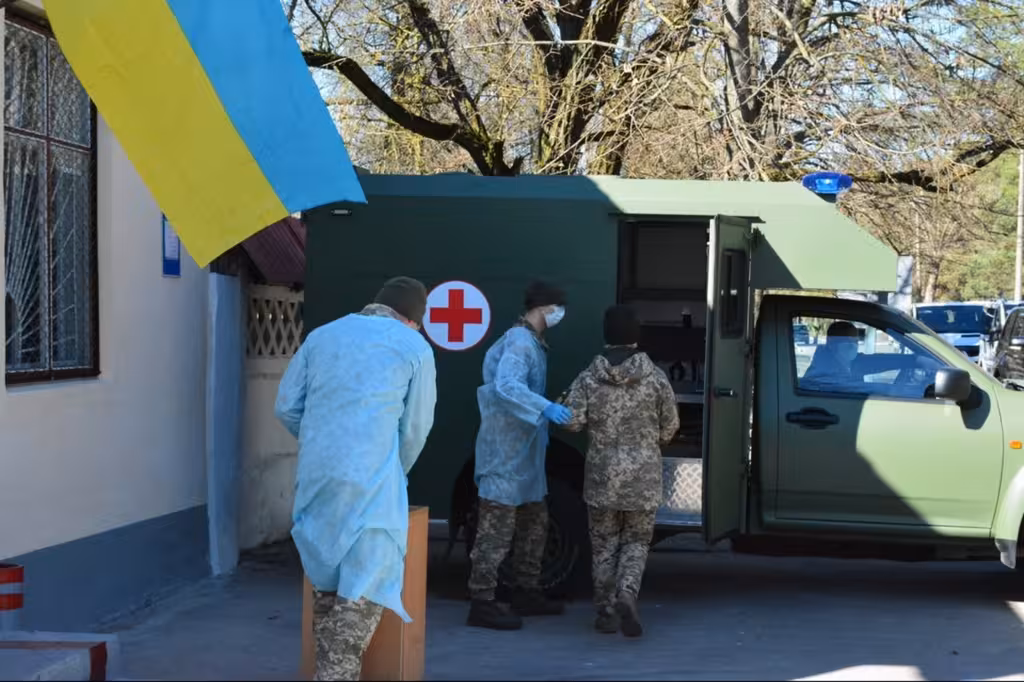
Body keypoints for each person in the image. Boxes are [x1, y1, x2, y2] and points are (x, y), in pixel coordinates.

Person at [275, 277, 437, 681]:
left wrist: (323, 442)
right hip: (371, 489)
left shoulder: (321, 336)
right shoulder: (414, 346)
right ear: (412, 319)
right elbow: (416, 428)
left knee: (326, 601)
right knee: (353, 613)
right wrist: (391, 467)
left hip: (317, 482)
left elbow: (286, 407)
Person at [561, 305, 679, 637]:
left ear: (606, 335)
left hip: (602, 478)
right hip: (643, 478)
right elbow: (670, 428)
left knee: (603, 545)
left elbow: (571, 422)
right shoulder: (655, 378)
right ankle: (627, 593)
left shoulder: (588, 378)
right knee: (637, 542)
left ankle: (605, 611)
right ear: (636, 337)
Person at [467, 280, 572, 631]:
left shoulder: (533, 343)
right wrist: (545, 407)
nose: (561, 314)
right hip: (504, 452)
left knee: (534, 523)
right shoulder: (519, 342)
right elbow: (507, 385)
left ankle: (526, 591)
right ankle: (482, 601)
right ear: (544, 308)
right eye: (558, 307)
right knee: (496, 529)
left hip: (524, 454)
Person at [803, 320, 861, 391]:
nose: (853, 346)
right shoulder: (824, 373)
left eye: (855, 341)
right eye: (847, 341)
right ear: (831, 343)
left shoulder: (850, 363)